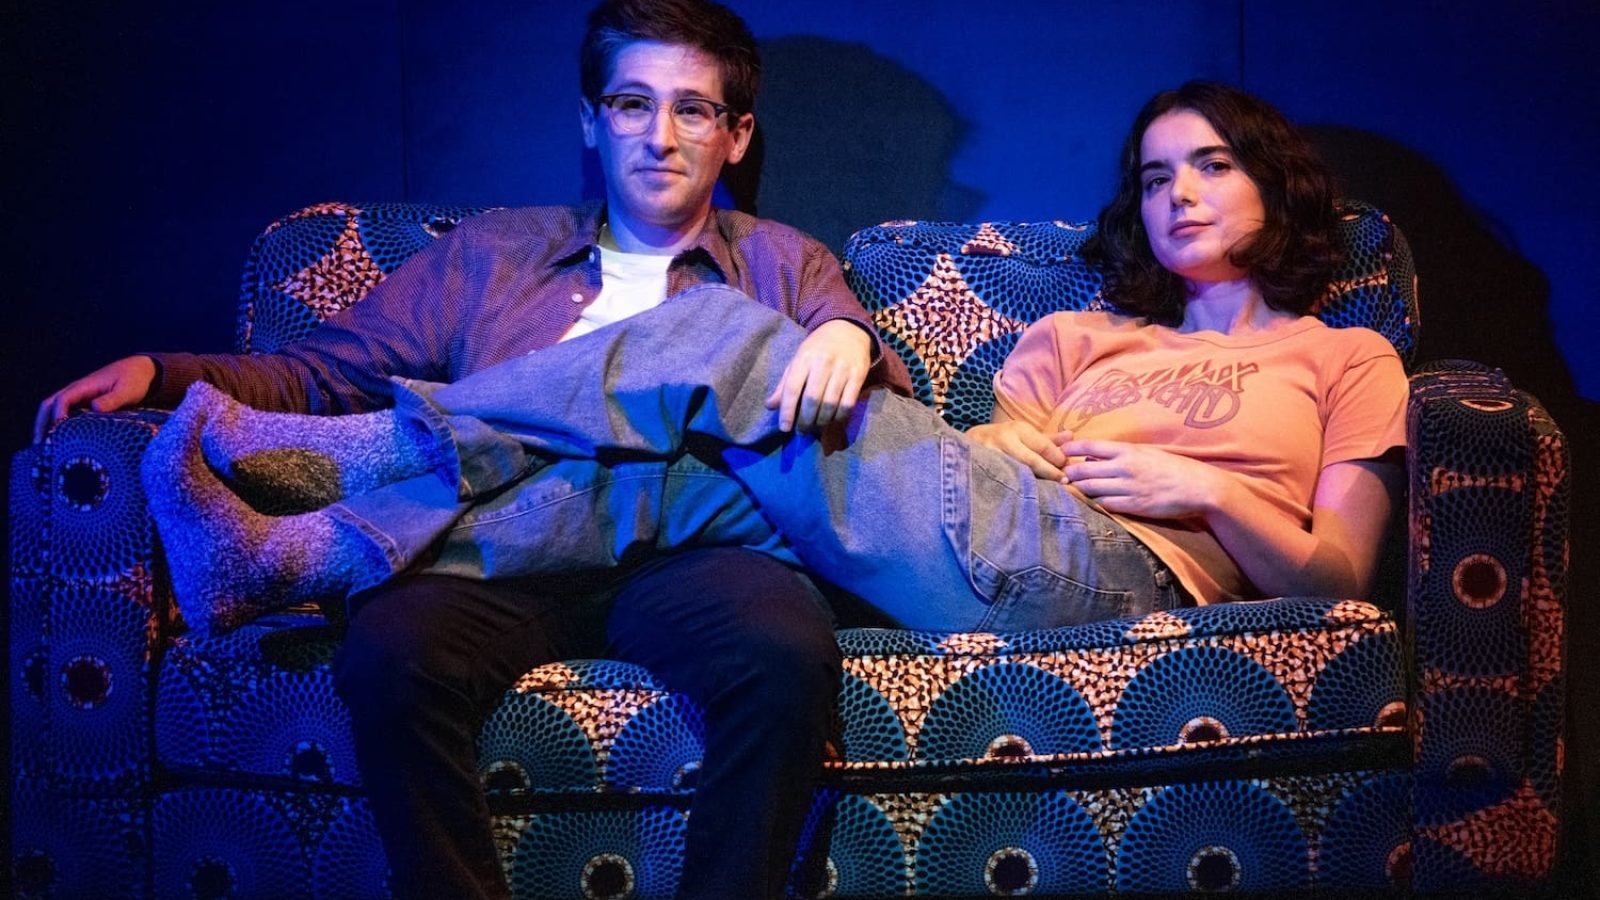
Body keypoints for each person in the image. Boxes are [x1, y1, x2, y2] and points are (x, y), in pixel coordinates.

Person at [35, 2, 913, 898]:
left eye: (692, 109)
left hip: (696, 557)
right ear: (590, 121)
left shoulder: (783, 262)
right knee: (389, 650)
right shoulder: (493, 255)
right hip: (493, 556)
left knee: (782, 654)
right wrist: (159, 372)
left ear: (735, 135)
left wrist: (847, 334)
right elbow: (318, 375)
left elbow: (893, 443)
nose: (660, 136)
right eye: (630, 104)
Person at [140, 80, 1408, 640]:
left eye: (1212, 164)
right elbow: (984, 471)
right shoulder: (1079, 337)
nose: (1178, 194)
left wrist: (1212, 494)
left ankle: (361, 451)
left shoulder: (1344, 357)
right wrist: (988, 448)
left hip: (1126, 578)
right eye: (1153, 175)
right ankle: (287, 557)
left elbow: (1343, 578)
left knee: (726, 334)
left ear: (1274, 187)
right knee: (674, 482)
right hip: (991, 534)